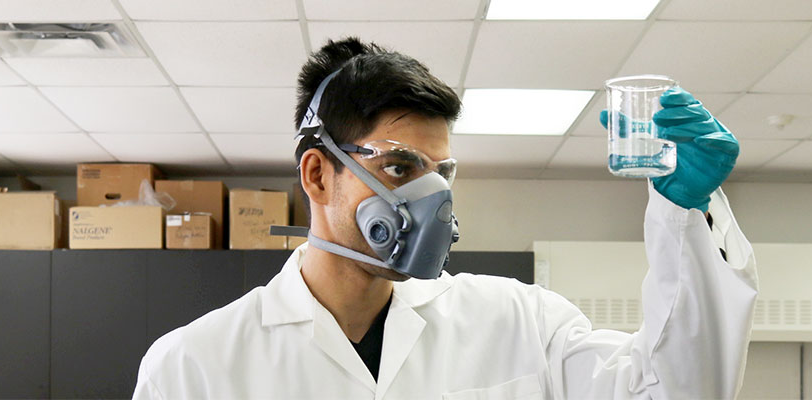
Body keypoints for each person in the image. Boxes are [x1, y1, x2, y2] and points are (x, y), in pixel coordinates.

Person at [133, 37, 758, 399]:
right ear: (318, 175)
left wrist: (684, 210)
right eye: (402, 168)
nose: (431, 198)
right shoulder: (194, 368)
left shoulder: (522, 323)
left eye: (442, 173)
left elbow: (679, 392)